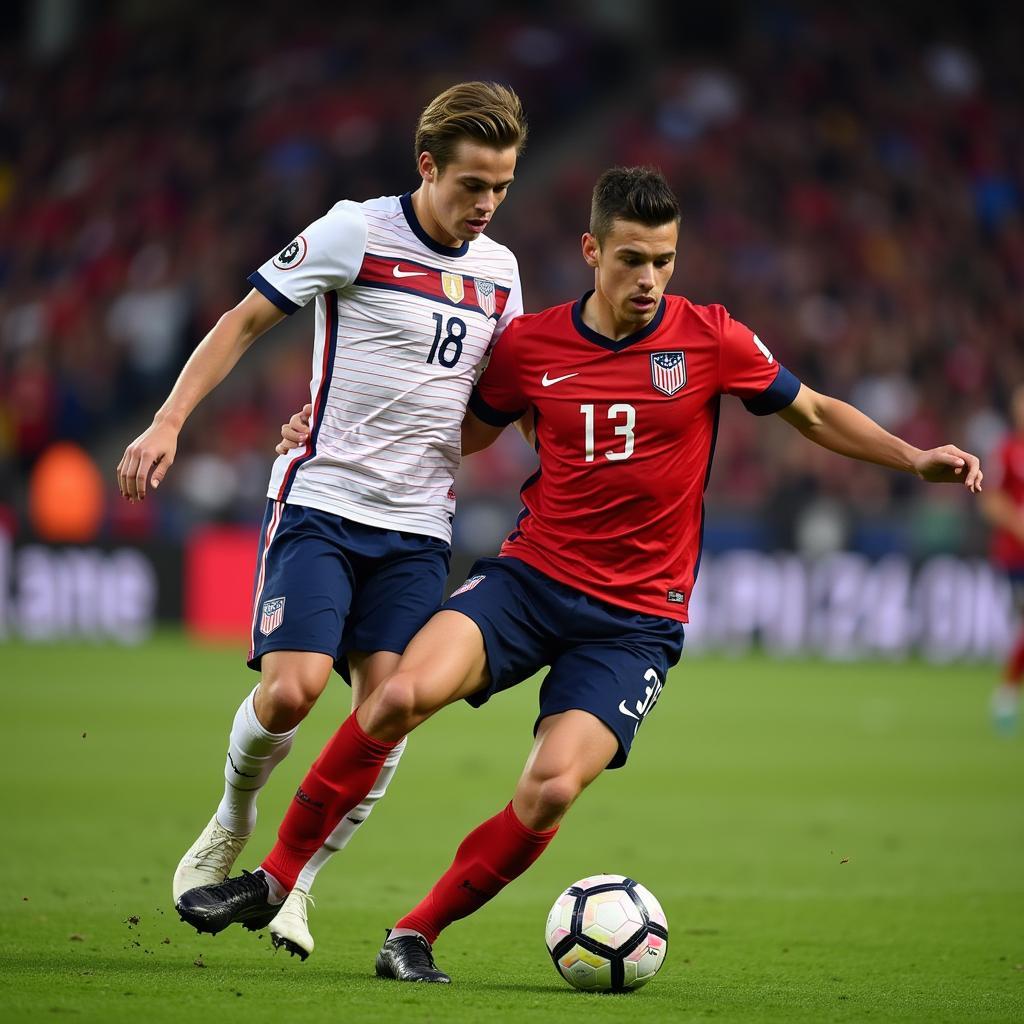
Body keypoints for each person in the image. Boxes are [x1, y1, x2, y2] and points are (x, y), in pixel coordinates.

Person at [177, 166, 983, 982]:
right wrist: (333, 426)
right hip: (529, 581)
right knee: (396, 697)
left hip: (634, 621)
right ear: (592, 250)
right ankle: (274, 877)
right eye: (632, 259)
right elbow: (464, 433)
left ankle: (413, 934)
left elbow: (811, 410)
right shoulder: (530, 346)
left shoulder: (710, 338)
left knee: (551, 790)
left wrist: (913, 457)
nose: (649, 278)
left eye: (664, 261)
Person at [116, 81, 528, 949]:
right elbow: (243, 320)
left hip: (418, 529)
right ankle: (232, 818)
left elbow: (484, 416)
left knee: (391, 711)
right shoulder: (356, 230)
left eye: (501, 187)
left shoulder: (501, 274)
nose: (486, 206)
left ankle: (294, 879)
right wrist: (168, 420)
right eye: (470, 186)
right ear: (427, 167)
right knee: (295, 690)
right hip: (323, 503)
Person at [980, 384, 1024, 731]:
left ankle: (1007, 694)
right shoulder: (1008, 451)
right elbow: (990, 500)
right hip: (1014, 557)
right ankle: (1006, 695)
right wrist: (1017, 523)